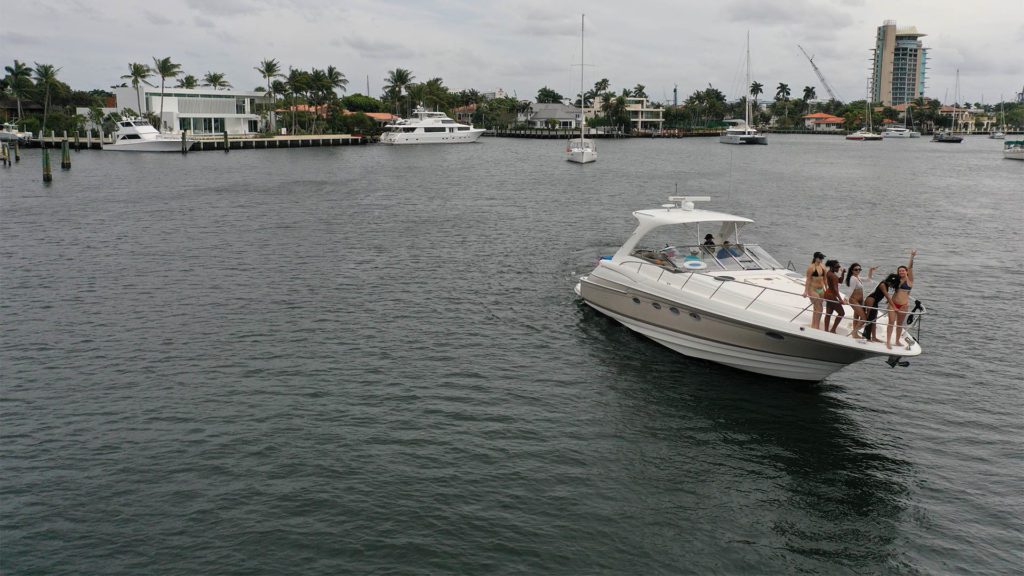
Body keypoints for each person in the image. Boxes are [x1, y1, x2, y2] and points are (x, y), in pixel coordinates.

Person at [887, 250, 916, 350]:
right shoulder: (897, 279)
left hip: (903, 305)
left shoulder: (910, 280)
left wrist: (912, 256)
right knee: (891, 322)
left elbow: (910, 267)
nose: (901, 272)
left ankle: (897, 341)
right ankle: (888, 342)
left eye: (903, 270)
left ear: (906, 271)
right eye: (900, 271)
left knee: (899, 324)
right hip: (893, 304)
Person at [840, 263, 876, 338]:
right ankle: (854, 333)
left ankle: (854, 332)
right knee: (864, 318)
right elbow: (851, 290)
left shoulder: (857, 277)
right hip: (854, 300)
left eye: (859, 269)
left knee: (856, 316)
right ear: (852, 270)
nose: (858, 271)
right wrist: (845, 299)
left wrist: (870, 270)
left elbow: (868, 279)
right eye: (856, 269)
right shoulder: (853, 278)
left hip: (860, 300)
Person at [862, 273, 898, 342]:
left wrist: (888, 301)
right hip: (871, 300)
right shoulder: (883, 284)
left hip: (875, 301)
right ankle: (866, 337)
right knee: (870, 319)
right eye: (893, 284)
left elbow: (886, 296)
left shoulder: (886, 284)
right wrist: (894, 307)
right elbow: (887, 295)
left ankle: (874, 337)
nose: (892, 286)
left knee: (874, 320)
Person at [803, 252, 827, 330]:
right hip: (812, 289)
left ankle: (814, 325)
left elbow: (825, 279)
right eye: (820, 258)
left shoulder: (823, 266)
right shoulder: (811, 267)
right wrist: (805, 291)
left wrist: (827, 289)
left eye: (822, 258)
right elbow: (808, 280)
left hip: (821, 289)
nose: (821, 259)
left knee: (816, 308)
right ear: (816, 258)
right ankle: (816, 327)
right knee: (819, 308)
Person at [822, 259, 846, 333]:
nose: (838, 268)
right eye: (836, 267)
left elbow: (840, 281)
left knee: (829, 313)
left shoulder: (829, 273)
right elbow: (836, 289)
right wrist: (840, 299)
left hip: (827, 294)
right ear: (832, 267)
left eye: (839, 267)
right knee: (842, 313)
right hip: (831, 295)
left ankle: (826, 330)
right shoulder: (833, 276)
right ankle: (833, 330)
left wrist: (842, 273)